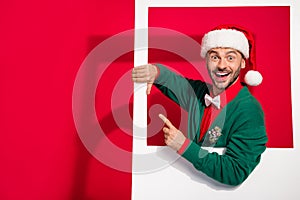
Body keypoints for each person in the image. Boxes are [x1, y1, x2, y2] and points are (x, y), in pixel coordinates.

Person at [132, 25, 268, 186]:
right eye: (215, 57)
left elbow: (235, 171)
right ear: (206, 61)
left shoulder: (249, 110)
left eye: (230, 58)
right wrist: (156, 72)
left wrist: (182, 145)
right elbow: (174, 82)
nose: (222, 65)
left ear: (243, 63)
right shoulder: (200, 91)